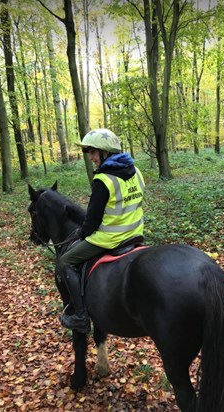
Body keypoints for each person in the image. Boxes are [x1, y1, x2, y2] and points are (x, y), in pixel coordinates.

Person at [59, 128, 145, 333]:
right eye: (88, 152)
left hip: (109, 238)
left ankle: (80, 316)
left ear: (106, 152)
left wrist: (82, 233)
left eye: (92, 152)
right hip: (135, 234)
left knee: (66, 261)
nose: (90, 157)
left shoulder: (103, 180)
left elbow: (92, 222)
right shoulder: (136, 172)